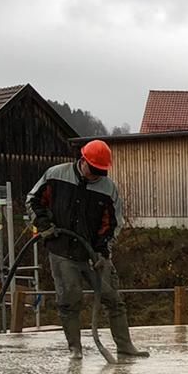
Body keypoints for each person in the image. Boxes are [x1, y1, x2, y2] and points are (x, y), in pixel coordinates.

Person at [26, 140, 149, 359]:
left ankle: (125, 346)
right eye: (93, 170)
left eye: (101, 172)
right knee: (69, 300)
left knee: (113, 299)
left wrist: (102, 250)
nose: (96, 176)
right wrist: (43, 224)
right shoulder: (56, 175)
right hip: (62, 250)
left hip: (94, 254)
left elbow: (113, 223)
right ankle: (75, 348)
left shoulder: (108, 188)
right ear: (83, 161)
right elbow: (33, 200)